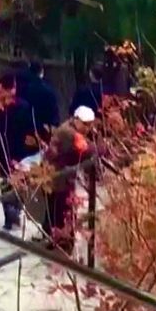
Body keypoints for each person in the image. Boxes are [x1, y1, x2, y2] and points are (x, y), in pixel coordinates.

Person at [0, 73, 35, 231]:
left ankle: (9, 215)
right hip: (20, 150)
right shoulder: (24, 106)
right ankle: (17, 210)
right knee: (19, 180)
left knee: (6, 180)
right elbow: (30, 129)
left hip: (2, 149)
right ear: (13, 87)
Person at [43, 105, 96, 254]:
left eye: (90, 124)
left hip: (56, 175)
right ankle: (63, 243)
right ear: (76, 119)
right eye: (85, 124)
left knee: (54, 209)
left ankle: (55, 239)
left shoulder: (68, 128)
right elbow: (88, 150)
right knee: (62, 209)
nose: (88, 128)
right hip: (58, 177)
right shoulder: (69, 133)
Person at [14, 60, 62, 143]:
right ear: (41, 72)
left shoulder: (20, 88)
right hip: (42, 128)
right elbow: (53, 111)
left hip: (23, 127)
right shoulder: (47, 90)